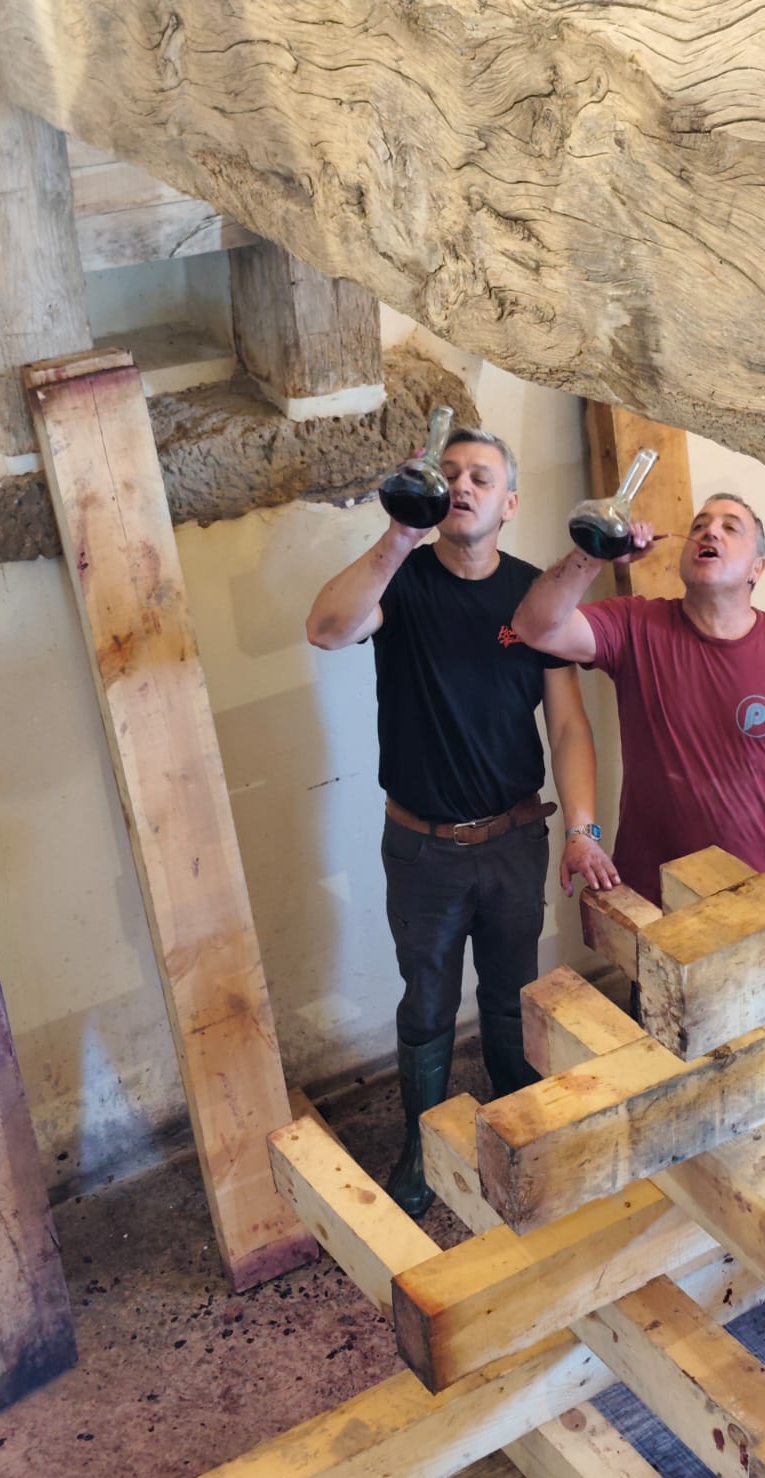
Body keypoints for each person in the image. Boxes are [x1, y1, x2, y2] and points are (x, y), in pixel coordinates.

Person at [306, 426, 618, 1216]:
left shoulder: (533, 596)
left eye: (482, 476)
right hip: (424, 849)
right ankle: (423, 1144)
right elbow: (327, 629)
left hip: (514, 840)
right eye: (450, 475)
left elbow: (568, 727)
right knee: (428, 1002)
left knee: (514, 995)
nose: (464, 485)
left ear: (509, 503)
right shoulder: (401, 581)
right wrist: (399, 534)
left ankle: (517, 1132)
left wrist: (583, 830)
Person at [511, 493, 765, 904]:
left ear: (758, 568)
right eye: (699, 525)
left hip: (755, 897)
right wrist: (597, 551)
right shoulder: (635, 625)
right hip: (649, 897)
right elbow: (534, 628)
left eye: (730, 527)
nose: (710, 531)